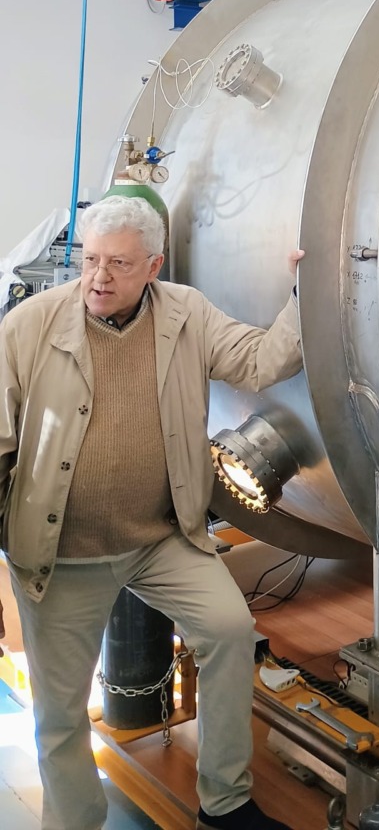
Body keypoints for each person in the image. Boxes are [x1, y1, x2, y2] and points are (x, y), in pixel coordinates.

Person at [0, 195, 304, 830]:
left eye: (118, 263)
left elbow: (260, 361)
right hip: (64, 553)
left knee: (229, 631)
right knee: (59, 714)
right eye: (90, 260)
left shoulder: (186, 313)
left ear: (153, 266)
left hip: (162, 538)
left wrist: (307, 294)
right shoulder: (28, 327)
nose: (98, 277)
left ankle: (224, 803)